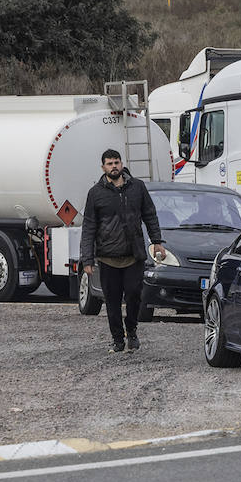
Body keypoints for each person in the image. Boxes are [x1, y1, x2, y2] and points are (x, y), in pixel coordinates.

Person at [80, 149, 165, 353]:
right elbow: (89, 226)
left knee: (135, 295)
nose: (114, 166)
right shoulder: (96, 193)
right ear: (103, 167)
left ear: (122, 164)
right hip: (108, 257)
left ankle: (132, 330)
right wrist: (87, 259)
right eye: (109, 163)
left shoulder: (137, 187)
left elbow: (150, 215)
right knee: (112, 301)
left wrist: (157, 241)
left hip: (133, 254)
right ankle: (118, 339)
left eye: (116, 162)